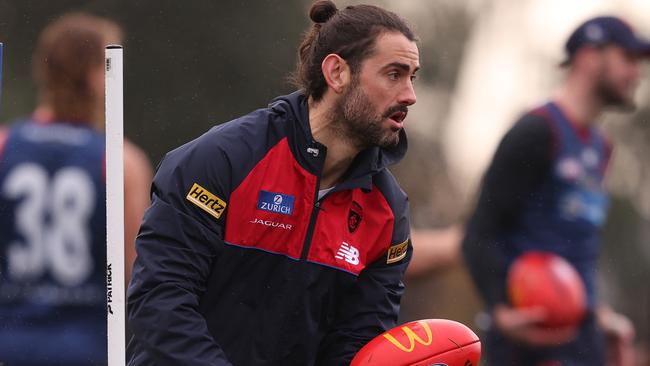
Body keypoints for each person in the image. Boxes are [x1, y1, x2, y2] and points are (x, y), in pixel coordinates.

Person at [126, 1, 419, 365]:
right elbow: (160, 302)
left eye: (412, 77)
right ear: (337, 73)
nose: (409, 95)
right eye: (394, 74)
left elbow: (355, 344)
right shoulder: (222, 160)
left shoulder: (389, 213)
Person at [462, 15, 646, 366]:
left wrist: (601, 318)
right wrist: (500, 310)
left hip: (581, 339)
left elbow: (579, 247)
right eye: (628, 59)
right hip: (527, 341)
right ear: (590, 56)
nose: (636, 74)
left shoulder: (602, 147)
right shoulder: (537, 131)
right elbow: (479, 231)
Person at [0, 13, 152, 365]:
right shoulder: (120, 161)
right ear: (98, 75)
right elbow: (136, 271)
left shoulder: (5, 146)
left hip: (9, 342)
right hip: (85, 346)